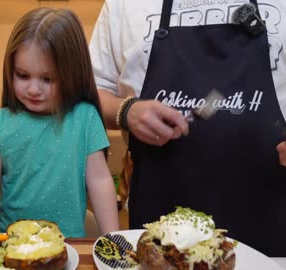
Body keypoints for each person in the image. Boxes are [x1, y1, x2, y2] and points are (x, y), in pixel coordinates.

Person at [89, 0, 286, 256]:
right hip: (161, 226)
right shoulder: (123, 5)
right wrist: (125, 110)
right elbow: (89, 92)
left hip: (269, 221)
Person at [0, 7, 119, 238]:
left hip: (68, 248)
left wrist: (115, 242)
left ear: (71, 75)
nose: (33, 89)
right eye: (23, 75)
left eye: (47, 79)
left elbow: (100, 181)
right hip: (10, 248)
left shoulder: (85, 117)